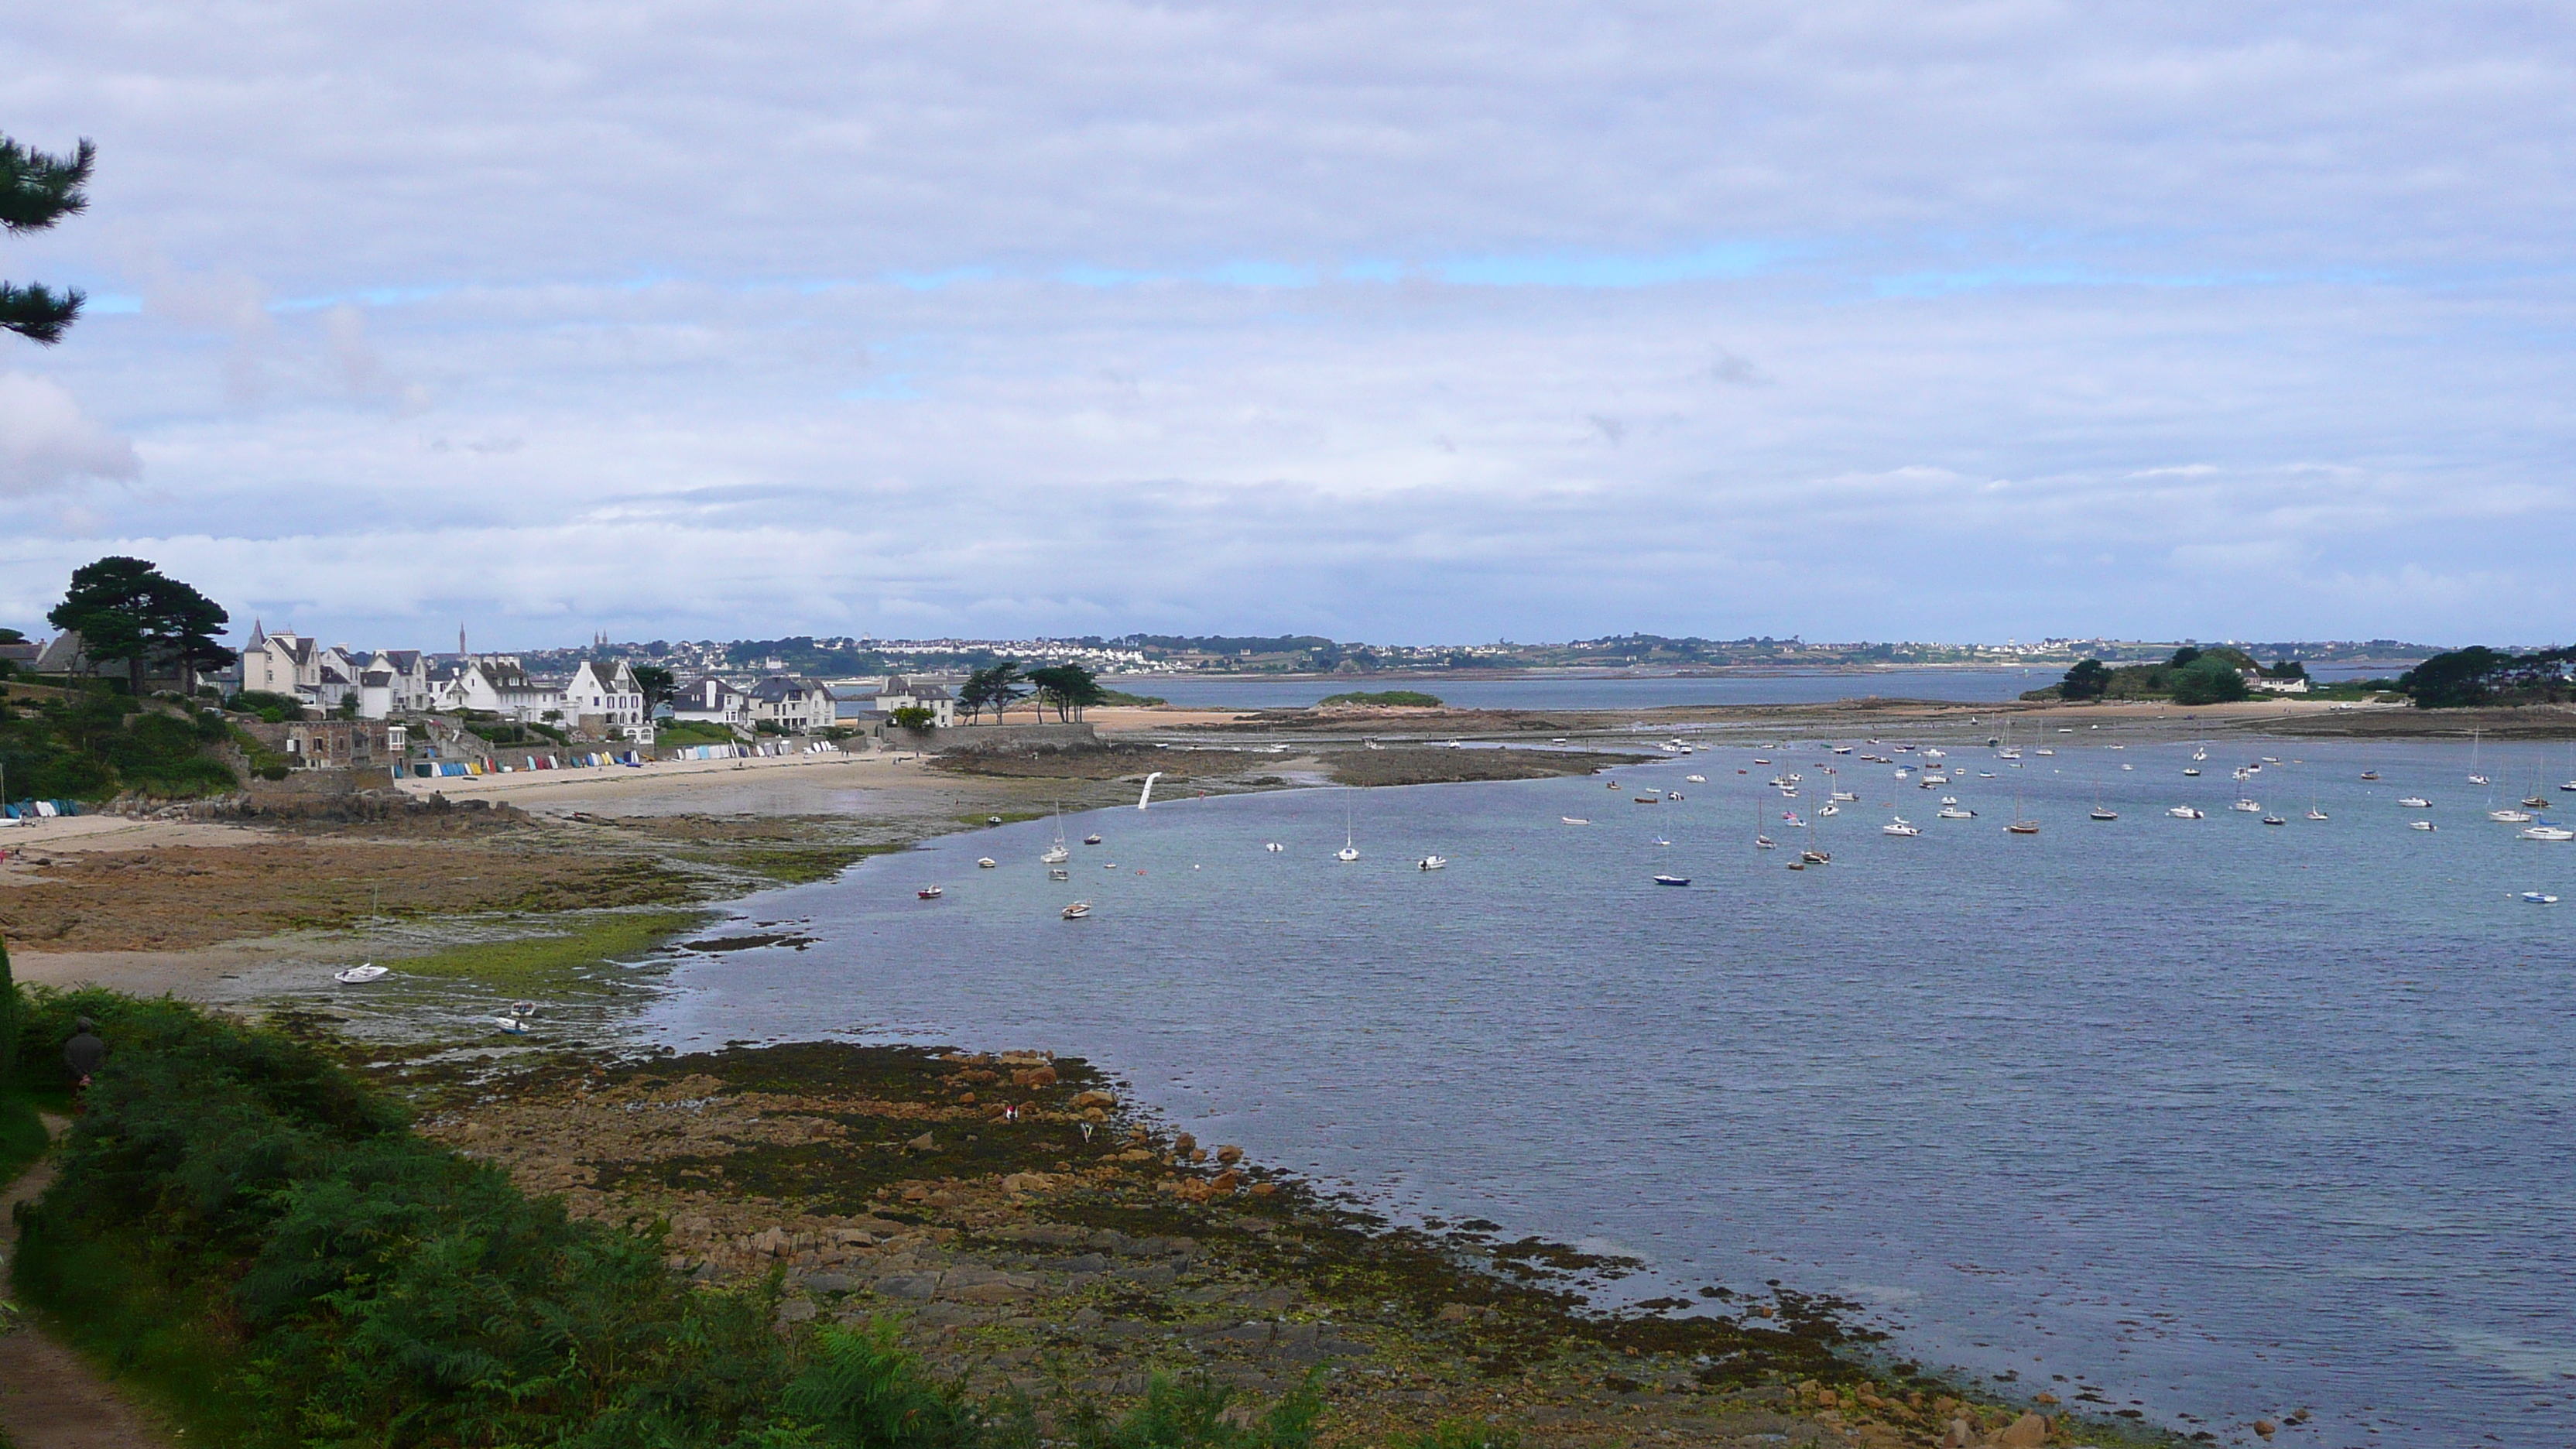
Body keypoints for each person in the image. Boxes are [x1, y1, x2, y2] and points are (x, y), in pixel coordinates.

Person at [63, 1016, 105, 1112]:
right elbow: (100, 1062)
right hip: (94, 1079)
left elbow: (68, 1062)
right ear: (90, 1028)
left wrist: (81, 1075)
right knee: (92, 1102)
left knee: (77, 1102)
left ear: (77, 1029)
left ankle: (79, 1121)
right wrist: (89, 1076)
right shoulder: (99, 1043)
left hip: (74, 1078)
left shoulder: (70, 1044)